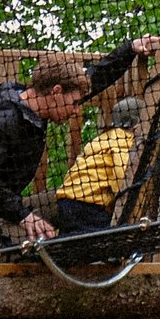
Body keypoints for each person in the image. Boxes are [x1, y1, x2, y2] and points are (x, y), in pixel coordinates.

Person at [0, 35, 159, 245]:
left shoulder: (33, 106)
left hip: (6, 208)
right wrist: (23, 216)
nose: (77, 109)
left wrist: (130, 48)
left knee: (69, 200)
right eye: (74, 103)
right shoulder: (0, 121)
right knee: (39, 244)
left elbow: (97, 77)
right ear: (56, 92)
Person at [50, 96, 144, 234]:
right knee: (104, 238)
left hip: (66, 201)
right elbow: (122, 172)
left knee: (71, 241)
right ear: (137, 126)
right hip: (89, 205)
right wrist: (125, 191)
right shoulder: (125, 140)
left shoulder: (102, 139)